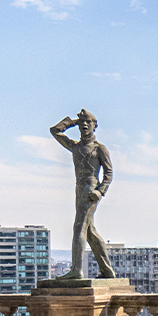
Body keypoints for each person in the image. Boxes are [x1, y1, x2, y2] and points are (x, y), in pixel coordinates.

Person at [50, 109, 116, 278]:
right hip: (79, 189)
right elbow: (55, 131)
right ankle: (107, 270)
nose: (84, 125)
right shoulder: (75, 147)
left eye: (88, 122)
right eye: (82, 123)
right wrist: (72, 121)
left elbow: (109, 173)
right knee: (89, 231)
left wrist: (100, 191)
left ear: (95, 126)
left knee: (79, 227)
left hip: (90, 190)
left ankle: (76, 271)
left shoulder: (99, 148)